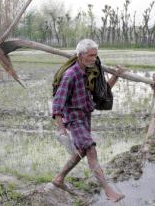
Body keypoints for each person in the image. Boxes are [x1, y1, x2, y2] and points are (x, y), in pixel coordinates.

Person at [51, 39, 125, 203]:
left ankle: (59, 178)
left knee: (82, 150)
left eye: (95, 56)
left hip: (85, 117)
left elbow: (102, 92)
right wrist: (61, 129)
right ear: (81, 55)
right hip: (74, 118)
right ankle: (108, 191)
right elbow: (57, 104)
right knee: (90, 149)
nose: (94, 59)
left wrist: (116, 76)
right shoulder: (70, 75)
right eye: (91, 56)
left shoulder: (90, 74)